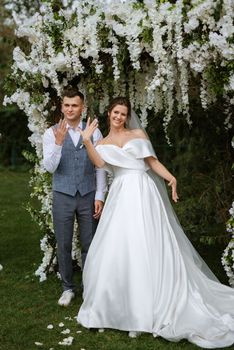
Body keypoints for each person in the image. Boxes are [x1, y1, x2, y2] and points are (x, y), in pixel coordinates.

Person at [77, 96, 234, 348]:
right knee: (120, 246)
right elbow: (99, 163)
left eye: (123, 113)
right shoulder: (103, 142)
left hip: (143, 191)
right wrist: (87, 141)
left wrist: (171, 179)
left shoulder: (138, 133)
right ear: (109, 113)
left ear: (127, 116)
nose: (119, 117)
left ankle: (149, 306)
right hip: (121, 194)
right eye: (115, 112)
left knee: (147, 242)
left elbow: (152, 162)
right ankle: (116, 308)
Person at [42, 87, 107, 307]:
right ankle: (68, 288)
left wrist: (99, 195)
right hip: (63, 195)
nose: (70, 109)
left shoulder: (93, 131)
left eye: (75, 105)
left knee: (90, 243)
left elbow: (100, 166)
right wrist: (59, 143)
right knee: (64, 243)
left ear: (82, 107)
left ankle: (90, 287)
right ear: (62, 107)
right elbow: (50, 168)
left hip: (88, 194)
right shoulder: (50, 133)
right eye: (66, 105)